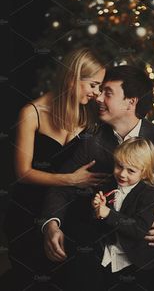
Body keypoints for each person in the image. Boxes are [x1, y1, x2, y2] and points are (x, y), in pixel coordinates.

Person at [42, 65, 154, 291]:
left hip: (150, 234)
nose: (98, 97)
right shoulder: (93, 142)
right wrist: (51, 225)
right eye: (99, 91)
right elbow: (62, 185)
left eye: (108, 92)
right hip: (105, 231)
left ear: (130, 102)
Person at [4, 48, 107, 290]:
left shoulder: (91, 116)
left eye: (100, 87)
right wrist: (70, 179)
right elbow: (24, 173)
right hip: (29, 210)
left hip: (70, 209)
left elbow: (133, 126)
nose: (97, 93)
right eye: (93, 85)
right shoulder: (32, 113)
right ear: (73, 77)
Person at [92, 137, 154, 291]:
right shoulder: (109, 185)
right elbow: (101, 222)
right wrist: (98, 209)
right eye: (119, 166)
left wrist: (108, 214)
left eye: (131, 170)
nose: (122, 174)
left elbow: (139, 229)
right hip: (110, 255)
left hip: (137, 261)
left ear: (144, 173)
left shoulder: (150, 194)